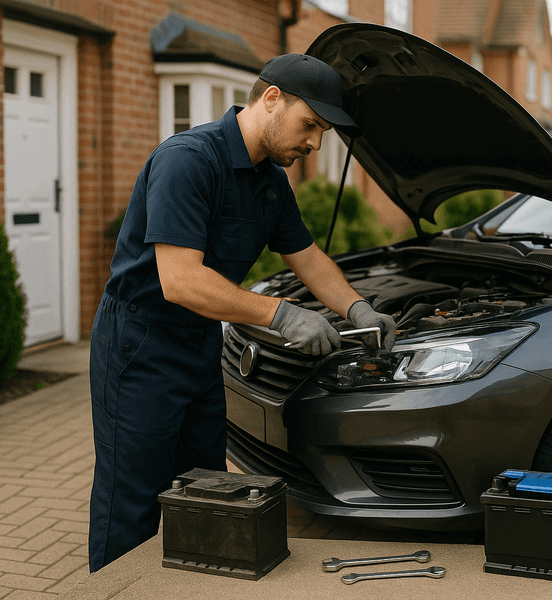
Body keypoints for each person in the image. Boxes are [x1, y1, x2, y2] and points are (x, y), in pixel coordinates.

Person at [87, 53, 396, 572]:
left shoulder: (270, 180)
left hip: (199, 345)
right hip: (139, 345)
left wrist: (357, 307)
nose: (315, 143)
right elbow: (180, 279)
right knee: (132, 503)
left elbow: (308, 257)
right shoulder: (188, 160)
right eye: (311, 125)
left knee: (206, 491)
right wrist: (279, 315)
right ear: (271, 99)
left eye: (322, 132)